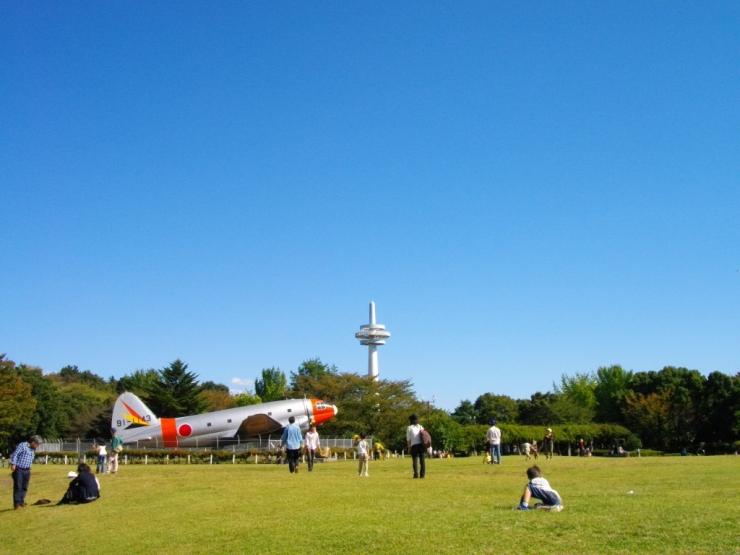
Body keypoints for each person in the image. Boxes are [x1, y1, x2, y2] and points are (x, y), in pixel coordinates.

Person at [9, 435, 42, 510]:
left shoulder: (33, 449)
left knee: (24, 487)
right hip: (19, 469)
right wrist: (13, 464)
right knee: (18, 487)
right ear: (33, 442)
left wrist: (30, 466)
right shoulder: (22, 445)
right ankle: (17, 504)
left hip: (27, 470)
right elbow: (15, 454)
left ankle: (21, 502)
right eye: (37, 444)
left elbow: (30, 458)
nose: (38, 446)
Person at [406, 414, 426, 479]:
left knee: (415, 461)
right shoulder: (420, 427)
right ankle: (422, 475)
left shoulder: (409, 428)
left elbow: (408, 439)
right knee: (422, 461)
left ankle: (416, 475)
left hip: (414, 446)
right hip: (421, 445)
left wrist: (409, 448)